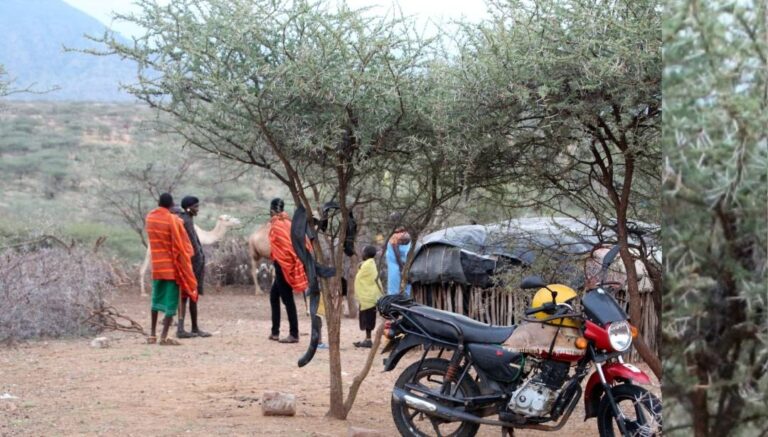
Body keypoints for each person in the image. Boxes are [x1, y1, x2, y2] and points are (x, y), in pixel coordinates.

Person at [144, 193, 197, 346]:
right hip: (172, 268)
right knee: (171, 302)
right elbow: (183, 245)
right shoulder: (173, 220)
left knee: (156, 300)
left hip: (157, 266)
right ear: (171, 205)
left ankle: (152, 335)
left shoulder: (150, 218)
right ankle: (164, 337)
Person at [268, 197, 307, 343]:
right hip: (286, 264)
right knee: (273, 296)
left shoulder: (276, 225)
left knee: (287, 299)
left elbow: (281, 247)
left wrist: (285, 263)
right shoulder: (289, 223)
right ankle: (275, 331)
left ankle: (294, 334)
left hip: (283, 266)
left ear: (272, 210)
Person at [174, 195, 211, 338]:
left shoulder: (185, 219)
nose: (198, 210)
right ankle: (185, 329)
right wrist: (198, 260)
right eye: (196, 207)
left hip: (192, 262)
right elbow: (191, 245)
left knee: (189, 295)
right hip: (191, 264)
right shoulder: (186, 221)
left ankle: (190, 327)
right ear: (189, 208)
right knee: (188, 295)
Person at [353, 245, 383, 348]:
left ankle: (369, 340)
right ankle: (367, 339)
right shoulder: (370, 264)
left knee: (368, 319)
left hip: (368, 296)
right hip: (368, 296)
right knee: (366, 318)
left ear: (366, 254)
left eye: (363, 252)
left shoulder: (368, 265)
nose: (361, 254)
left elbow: (361, 277)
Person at [385, 218, 412, 296]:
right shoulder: (405, 233)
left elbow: (397, 253)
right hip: (403, 264)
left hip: (398, 265)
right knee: (405, 287)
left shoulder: (395, 236)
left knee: (394, 287)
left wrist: (401, 267)